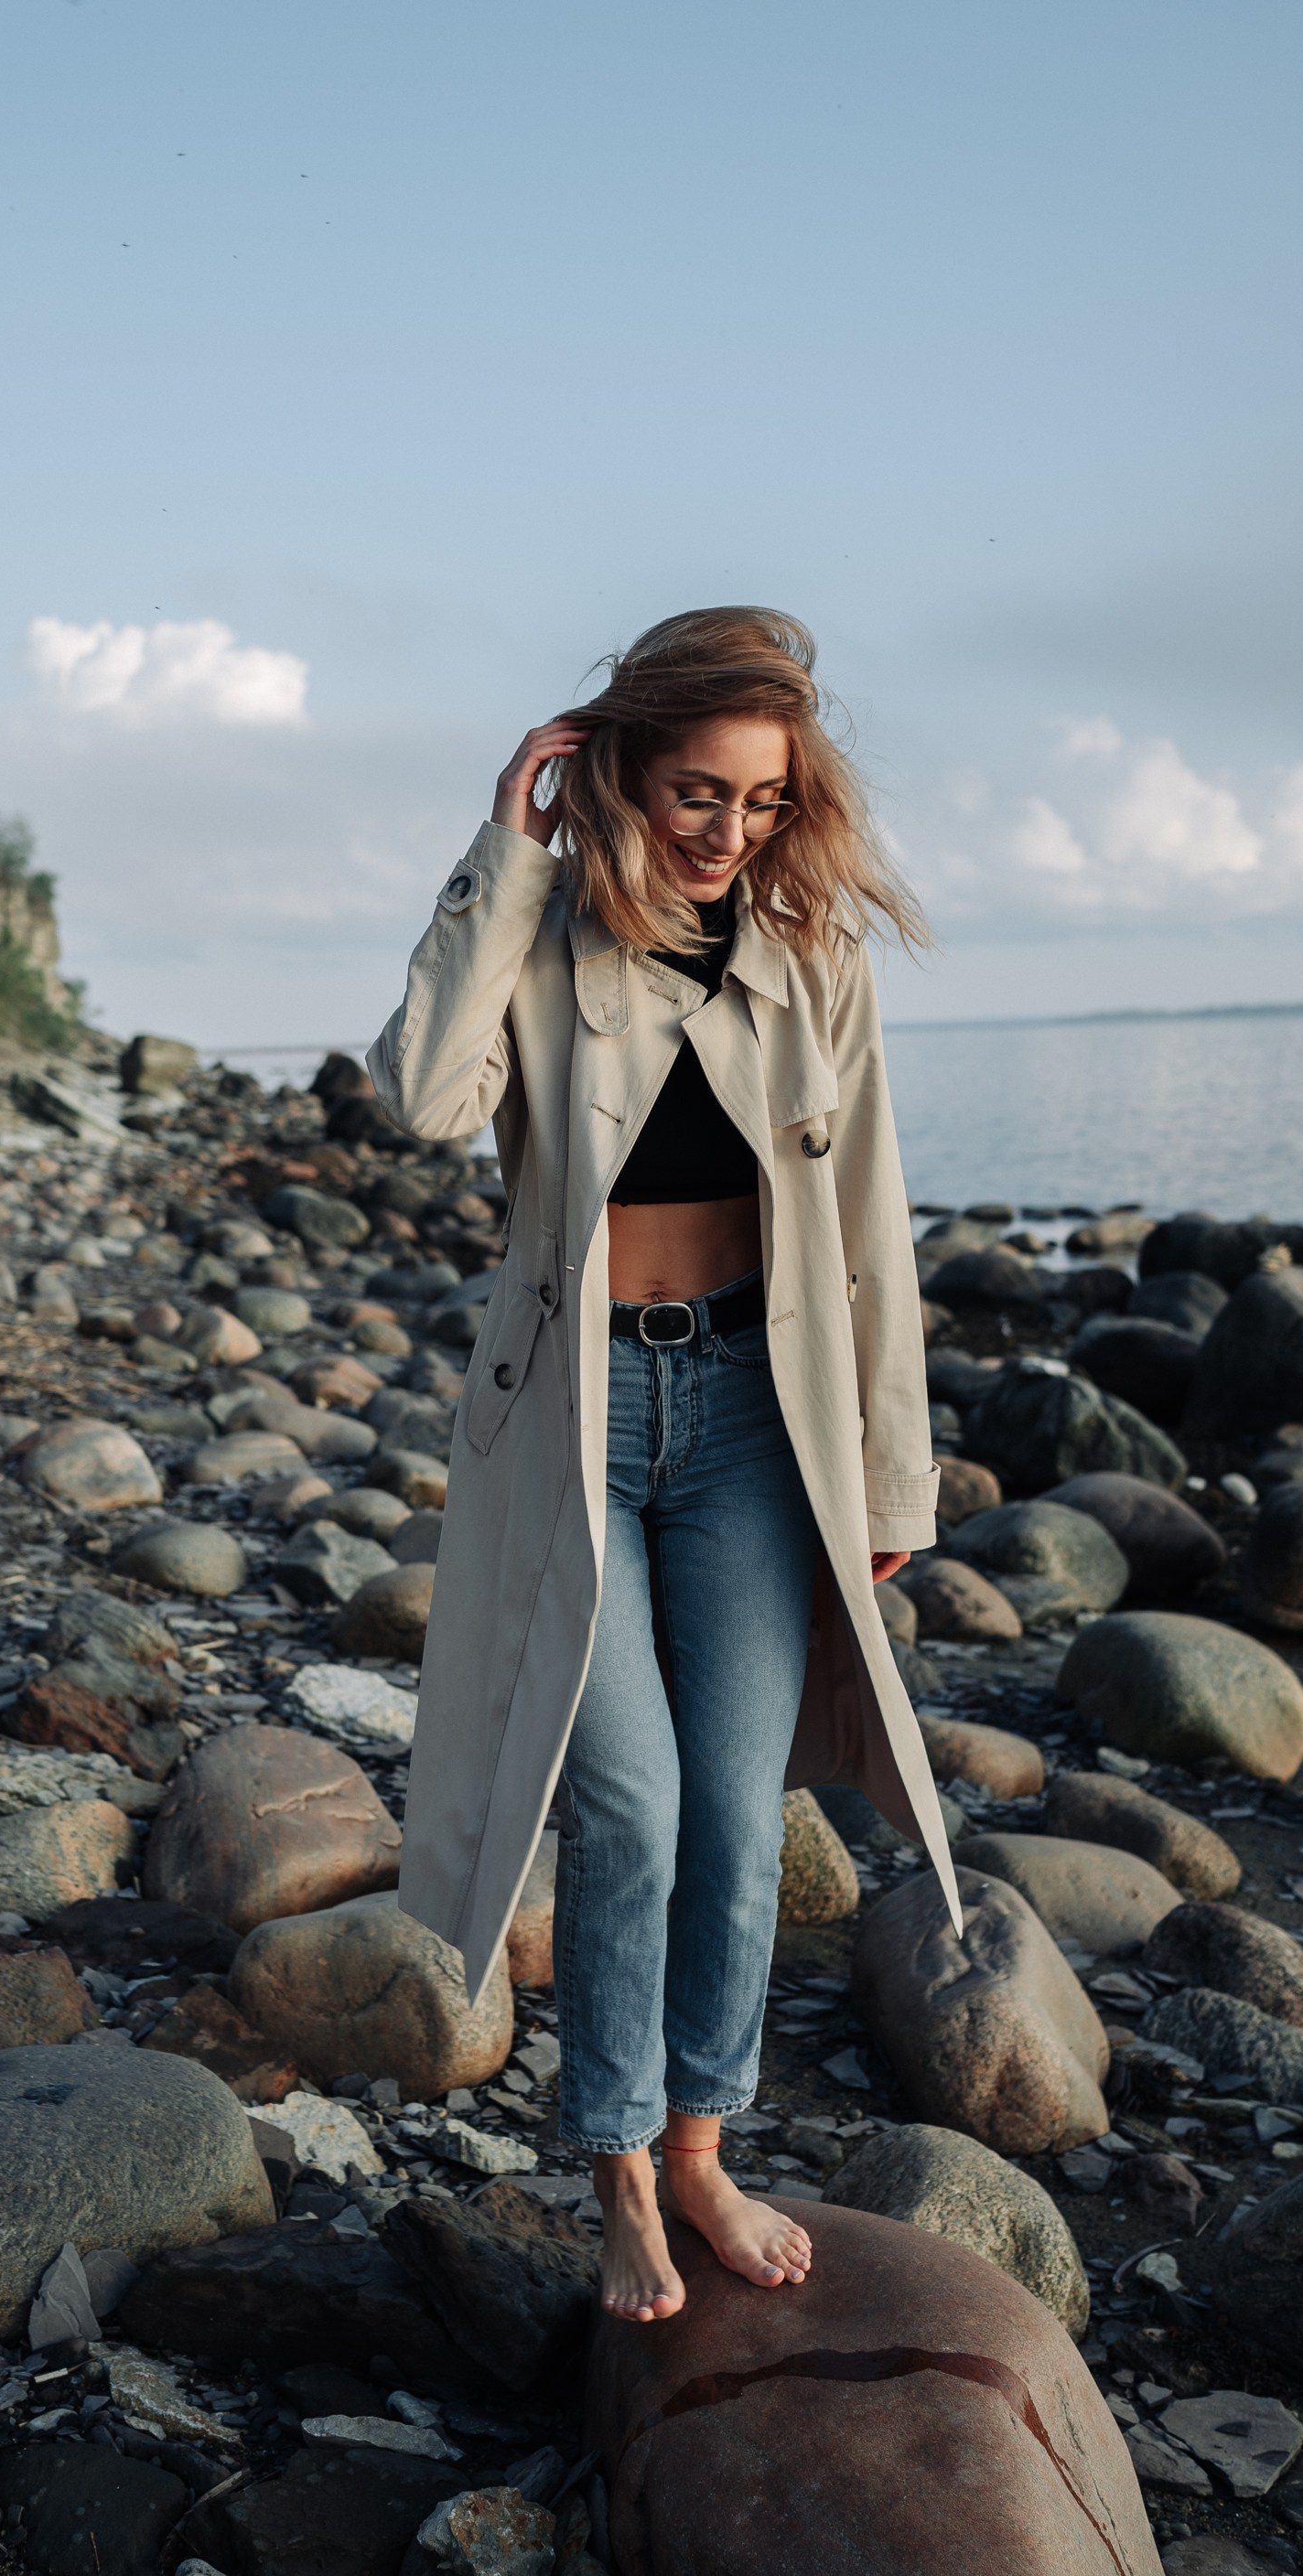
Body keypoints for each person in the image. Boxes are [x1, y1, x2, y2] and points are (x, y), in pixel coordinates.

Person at [366, 605, 959, 2324]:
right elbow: (419, 1099)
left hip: (762, 1439)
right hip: (578, 1423)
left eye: (762, 804)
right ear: (622, 770)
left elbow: (869, 1238)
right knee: (623, 1801)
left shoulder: (809, 961)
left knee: (733, 1807)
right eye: (698, 793)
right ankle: (618, 2162)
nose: (727, 832)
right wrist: (504, 848)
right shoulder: (544, 933)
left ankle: (703, 2143)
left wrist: (893, 1482)